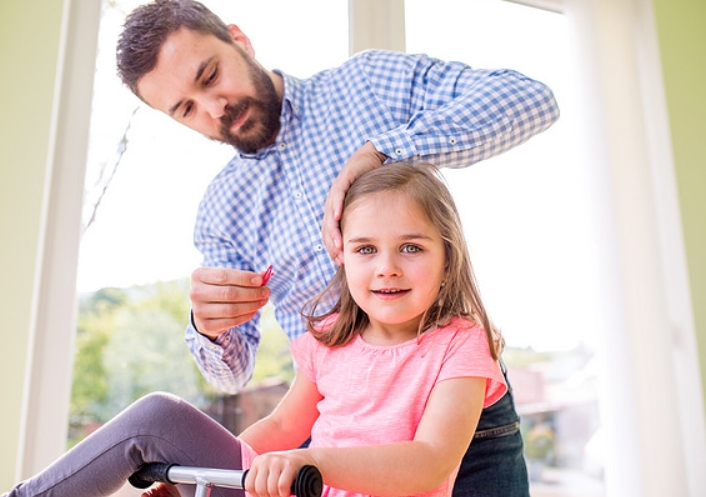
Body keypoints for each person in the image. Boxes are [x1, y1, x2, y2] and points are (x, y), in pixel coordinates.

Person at [115, 1, 560, 495]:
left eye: (210, 75)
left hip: (453, 404)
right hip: (330, 422)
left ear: (239, 40)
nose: (214, 107)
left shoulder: (367, 84)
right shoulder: (222, 210)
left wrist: (387, 150)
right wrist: (209, 329)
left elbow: (530, 99)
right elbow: (234, 373)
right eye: (186, 109)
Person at [3, 162, 508, 497]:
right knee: (157, 418)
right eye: (366, 249)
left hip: (310, 480)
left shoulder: (460, 344)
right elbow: (281, 429)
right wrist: (208, 477)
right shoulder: (329, 339)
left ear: (448, 258)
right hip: (290, 487)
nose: (387, 268)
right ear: (343, 257)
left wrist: (314, 462)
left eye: (412, 248)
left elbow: (431, 462)